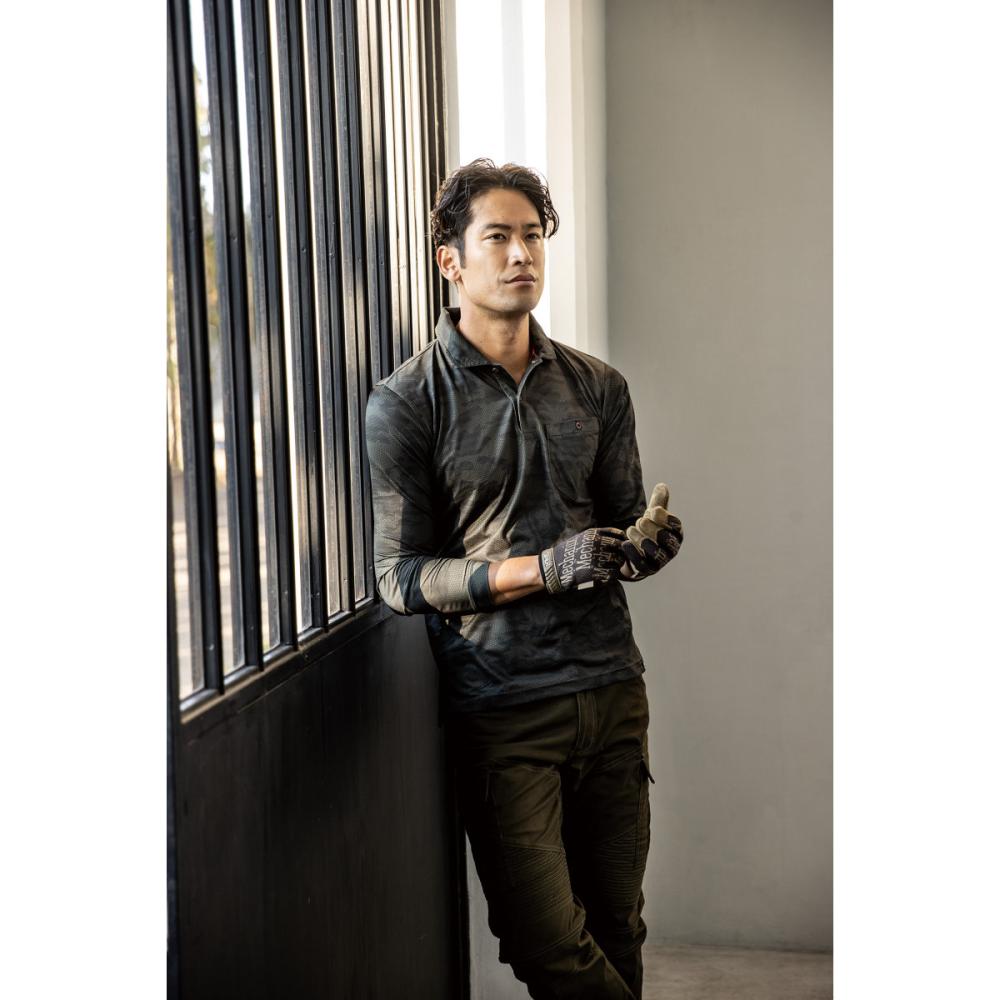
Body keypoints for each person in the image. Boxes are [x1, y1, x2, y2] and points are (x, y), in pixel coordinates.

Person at [364, 159, 683, 999]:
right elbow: (400, 576)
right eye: (498, 237)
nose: (520, 255)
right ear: (451, 260)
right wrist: (540, 570)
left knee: (617, 926)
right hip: (505, 709)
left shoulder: (598, 387)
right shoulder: (406, 402)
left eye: (533, 236)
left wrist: (646, 545)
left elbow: (619, 523)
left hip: (611, 691)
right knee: (547, 945)